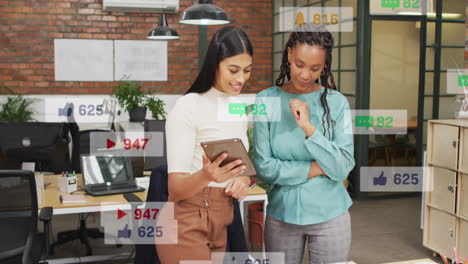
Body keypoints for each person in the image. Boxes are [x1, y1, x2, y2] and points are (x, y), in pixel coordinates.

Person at [253, 28, 355, 264]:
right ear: (289, 54)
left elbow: (342, 168)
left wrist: (309, 128)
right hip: (282, 216)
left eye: (315, 68)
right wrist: (318, 168)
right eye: (300, 64)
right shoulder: (265, 101)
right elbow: (264, 167)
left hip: (331, 215)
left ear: (325, 66)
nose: (305, 75)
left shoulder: (337, 103)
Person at [156, 26, 253, 264]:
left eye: (247, 70)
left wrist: (242, 182)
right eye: (233, 70)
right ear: (215, 64)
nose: (241, 78)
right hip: (185, 219)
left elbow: (242, 170)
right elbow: (175, 189)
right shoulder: (188, 106)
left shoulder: (237, 107)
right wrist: (205, 174)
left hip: (223, 217)